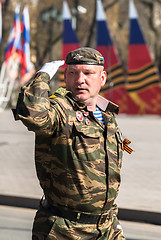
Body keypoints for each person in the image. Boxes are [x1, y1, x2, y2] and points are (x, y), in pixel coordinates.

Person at [13, 47, 128, 239]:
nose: (80, 80)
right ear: (66, 77)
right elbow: (34, 115)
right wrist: (42, 77)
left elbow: (118, 154)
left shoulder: (106, 114)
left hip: (106, 228)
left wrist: (113, 221)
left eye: (88, 73)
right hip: (65, 230)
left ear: (102, 78)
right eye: (73, 73)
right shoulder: (60, 109)